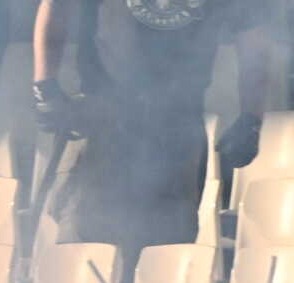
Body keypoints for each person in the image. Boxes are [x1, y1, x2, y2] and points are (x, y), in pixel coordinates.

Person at [31, 0, 278, 259]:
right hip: (100, 120)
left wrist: (252, 118)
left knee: (163, 257)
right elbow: (57, 5)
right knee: (83, 251)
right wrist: (44, 86)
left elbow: (255, 43)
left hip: (176, 130)